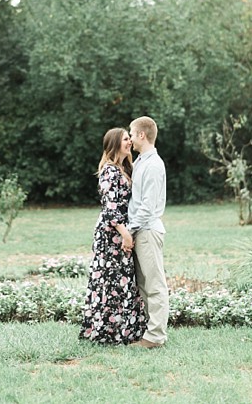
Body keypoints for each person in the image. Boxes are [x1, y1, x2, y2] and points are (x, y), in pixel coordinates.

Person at [79, 127, 148, 345]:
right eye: (126, 139)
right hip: (112, 233)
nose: (130, 142)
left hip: (122, 229)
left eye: (130, 138)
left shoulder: (124, 168)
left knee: (123, 279)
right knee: (109, 280)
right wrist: (125, 234)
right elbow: (110, 208)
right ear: (115, 144)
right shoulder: (109, 171)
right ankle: (105, 331)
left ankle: (125, 330)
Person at [127, 115, 169, 349]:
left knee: (155, 285)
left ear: (142, 135)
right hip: (139, 231)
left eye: (132, 134)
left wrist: (129, 231)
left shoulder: (153, 165)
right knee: (144, 286)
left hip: (147, 230)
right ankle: (148, 332)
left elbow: (147, 205)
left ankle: (155, 337)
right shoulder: (142, 160)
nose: (131, 139)